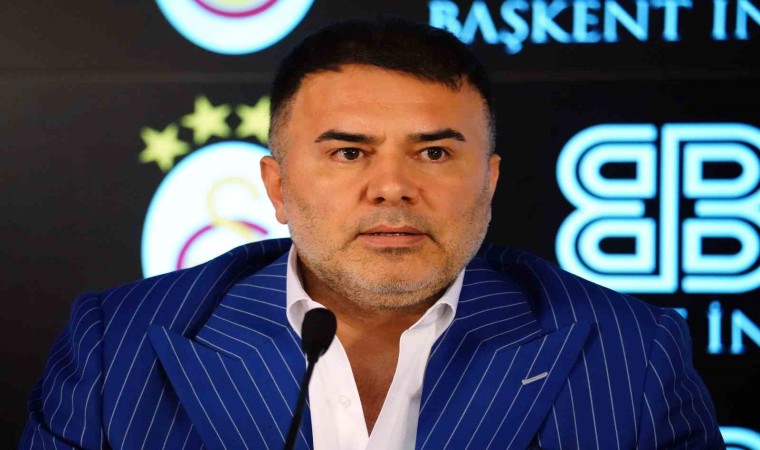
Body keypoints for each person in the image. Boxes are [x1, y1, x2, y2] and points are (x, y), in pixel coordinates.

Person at [20, 19, 723, 450]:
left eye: (434, 152)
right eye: (349, 152)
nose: (392, 187)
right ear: (277, 187)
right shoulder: (118, 344)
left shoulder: (630, 352)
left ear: (489, 182)